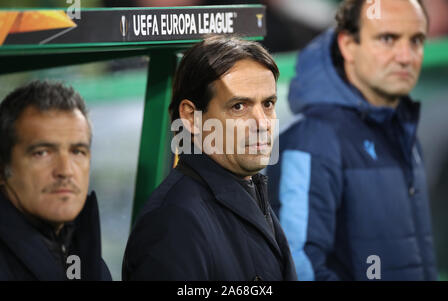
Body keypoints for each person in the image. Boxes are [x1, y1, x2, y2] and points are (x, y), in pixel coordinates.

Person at [267, 0, 437, 280]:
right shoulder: (312, 141)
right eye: (387, 38)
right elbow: (300, 268)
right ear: (348, 45)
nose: (406, 56)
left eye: (416, 40)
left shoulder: (403, 132)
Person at [122, 35, 297, 281]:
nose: (262, 123)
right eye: (239, 106)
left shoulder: (249, 191)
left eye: (268, 103)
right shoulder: (173, 223)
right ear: (191, 117)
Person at [0, 80, 111, 281]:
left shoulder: (86, 256)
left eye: (77, 151)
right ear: (3, 168)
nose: (65, 171)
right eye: (42, 153)